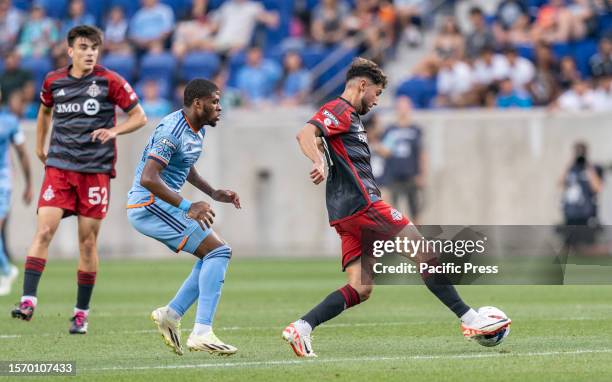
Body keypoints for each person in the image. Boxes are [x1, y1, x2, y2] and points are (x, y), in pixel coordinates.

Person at [283, 57, 510, 357]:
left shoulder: (352, 118)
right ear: (362, 85)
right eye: (376, 93)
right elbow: (305, 133)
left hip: (344, 214)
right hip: (363, 205)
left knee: (361, 287)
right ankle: (471, 319)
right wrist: (317, 160)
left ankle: (302, 328)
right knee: (424, 252)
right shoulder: (339, 110)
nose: (377, 101)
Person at [10, 25, 147, 334]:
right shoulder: (53, 81)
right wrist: (38, 145)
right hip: (59, 168)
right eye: (83, 48)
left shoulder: (110, 81)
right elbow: (45, 112)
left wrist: (113, 131)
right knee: (44, 230)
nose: (89, 53)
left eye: (94, 48)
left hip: (95, 172)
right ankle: (28, 299)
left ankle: (81, 313)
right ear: (70, 51)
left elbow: (139, 116)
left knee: (87, 243)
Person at [126, 78, 241, 356]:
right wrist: (188, 205)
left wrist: (213, 192)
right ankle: (201, 331)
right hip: (148, 203)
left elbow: (185, 165)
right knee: (219, 252)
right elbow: (149, 177)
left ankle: (172, 315)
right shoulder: (171, 130)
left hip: (158, 203)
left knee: (213, 254)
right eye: (214, 102)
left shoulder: (198, 128)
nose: (219, 107)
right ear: (198, 103)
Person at [374, 97, 426, 224]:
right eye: (400, 107)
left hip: (411, 176)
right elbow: (383, 151)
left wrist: (422, 174)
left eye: (405, 107)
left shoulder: (415, 130)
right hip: (394, 177)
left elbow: (421, 153)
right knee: (394, 213)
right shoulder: (390, 130)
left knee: (415, 212)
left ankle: (418, 242)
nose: (402, 110)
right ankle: (398, 242)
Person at [0, 89, 32, 296]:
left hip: (2, 182)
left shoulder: (10, 121)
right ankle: (6, 269)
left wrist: (29, 184)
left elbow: (22, 153)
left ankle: (6, 270)